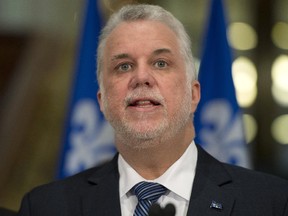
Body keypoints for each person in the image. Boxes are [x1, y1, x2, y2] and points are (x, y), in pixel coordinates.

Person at [17, 4, 288, 216]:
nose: (141, 77)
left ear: (194, 95)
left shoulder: (271, 202)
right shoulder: (46, 207)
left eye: (160, 63)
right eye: (123, 66)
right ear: (102, 101)